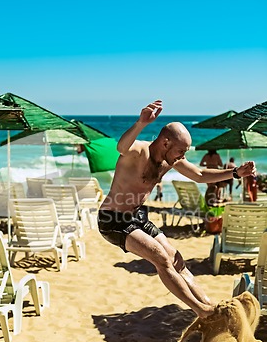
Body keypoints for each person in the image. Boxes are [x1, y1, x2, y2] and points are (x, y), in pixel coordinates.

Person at [97, 100, 256, 319]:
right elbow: (121, 147)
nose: (182, 156)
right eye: (180, 151)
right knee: (160, 257)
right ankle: (203, 312)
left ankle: (210, 305)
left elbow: (199, 175)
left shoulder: (169, 160)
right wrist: (140, 123)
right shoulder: (138, 151)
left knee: (177, 259)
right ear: (165, 142)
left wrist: (236, 173)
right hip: (112, 219)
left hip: (138, 217)